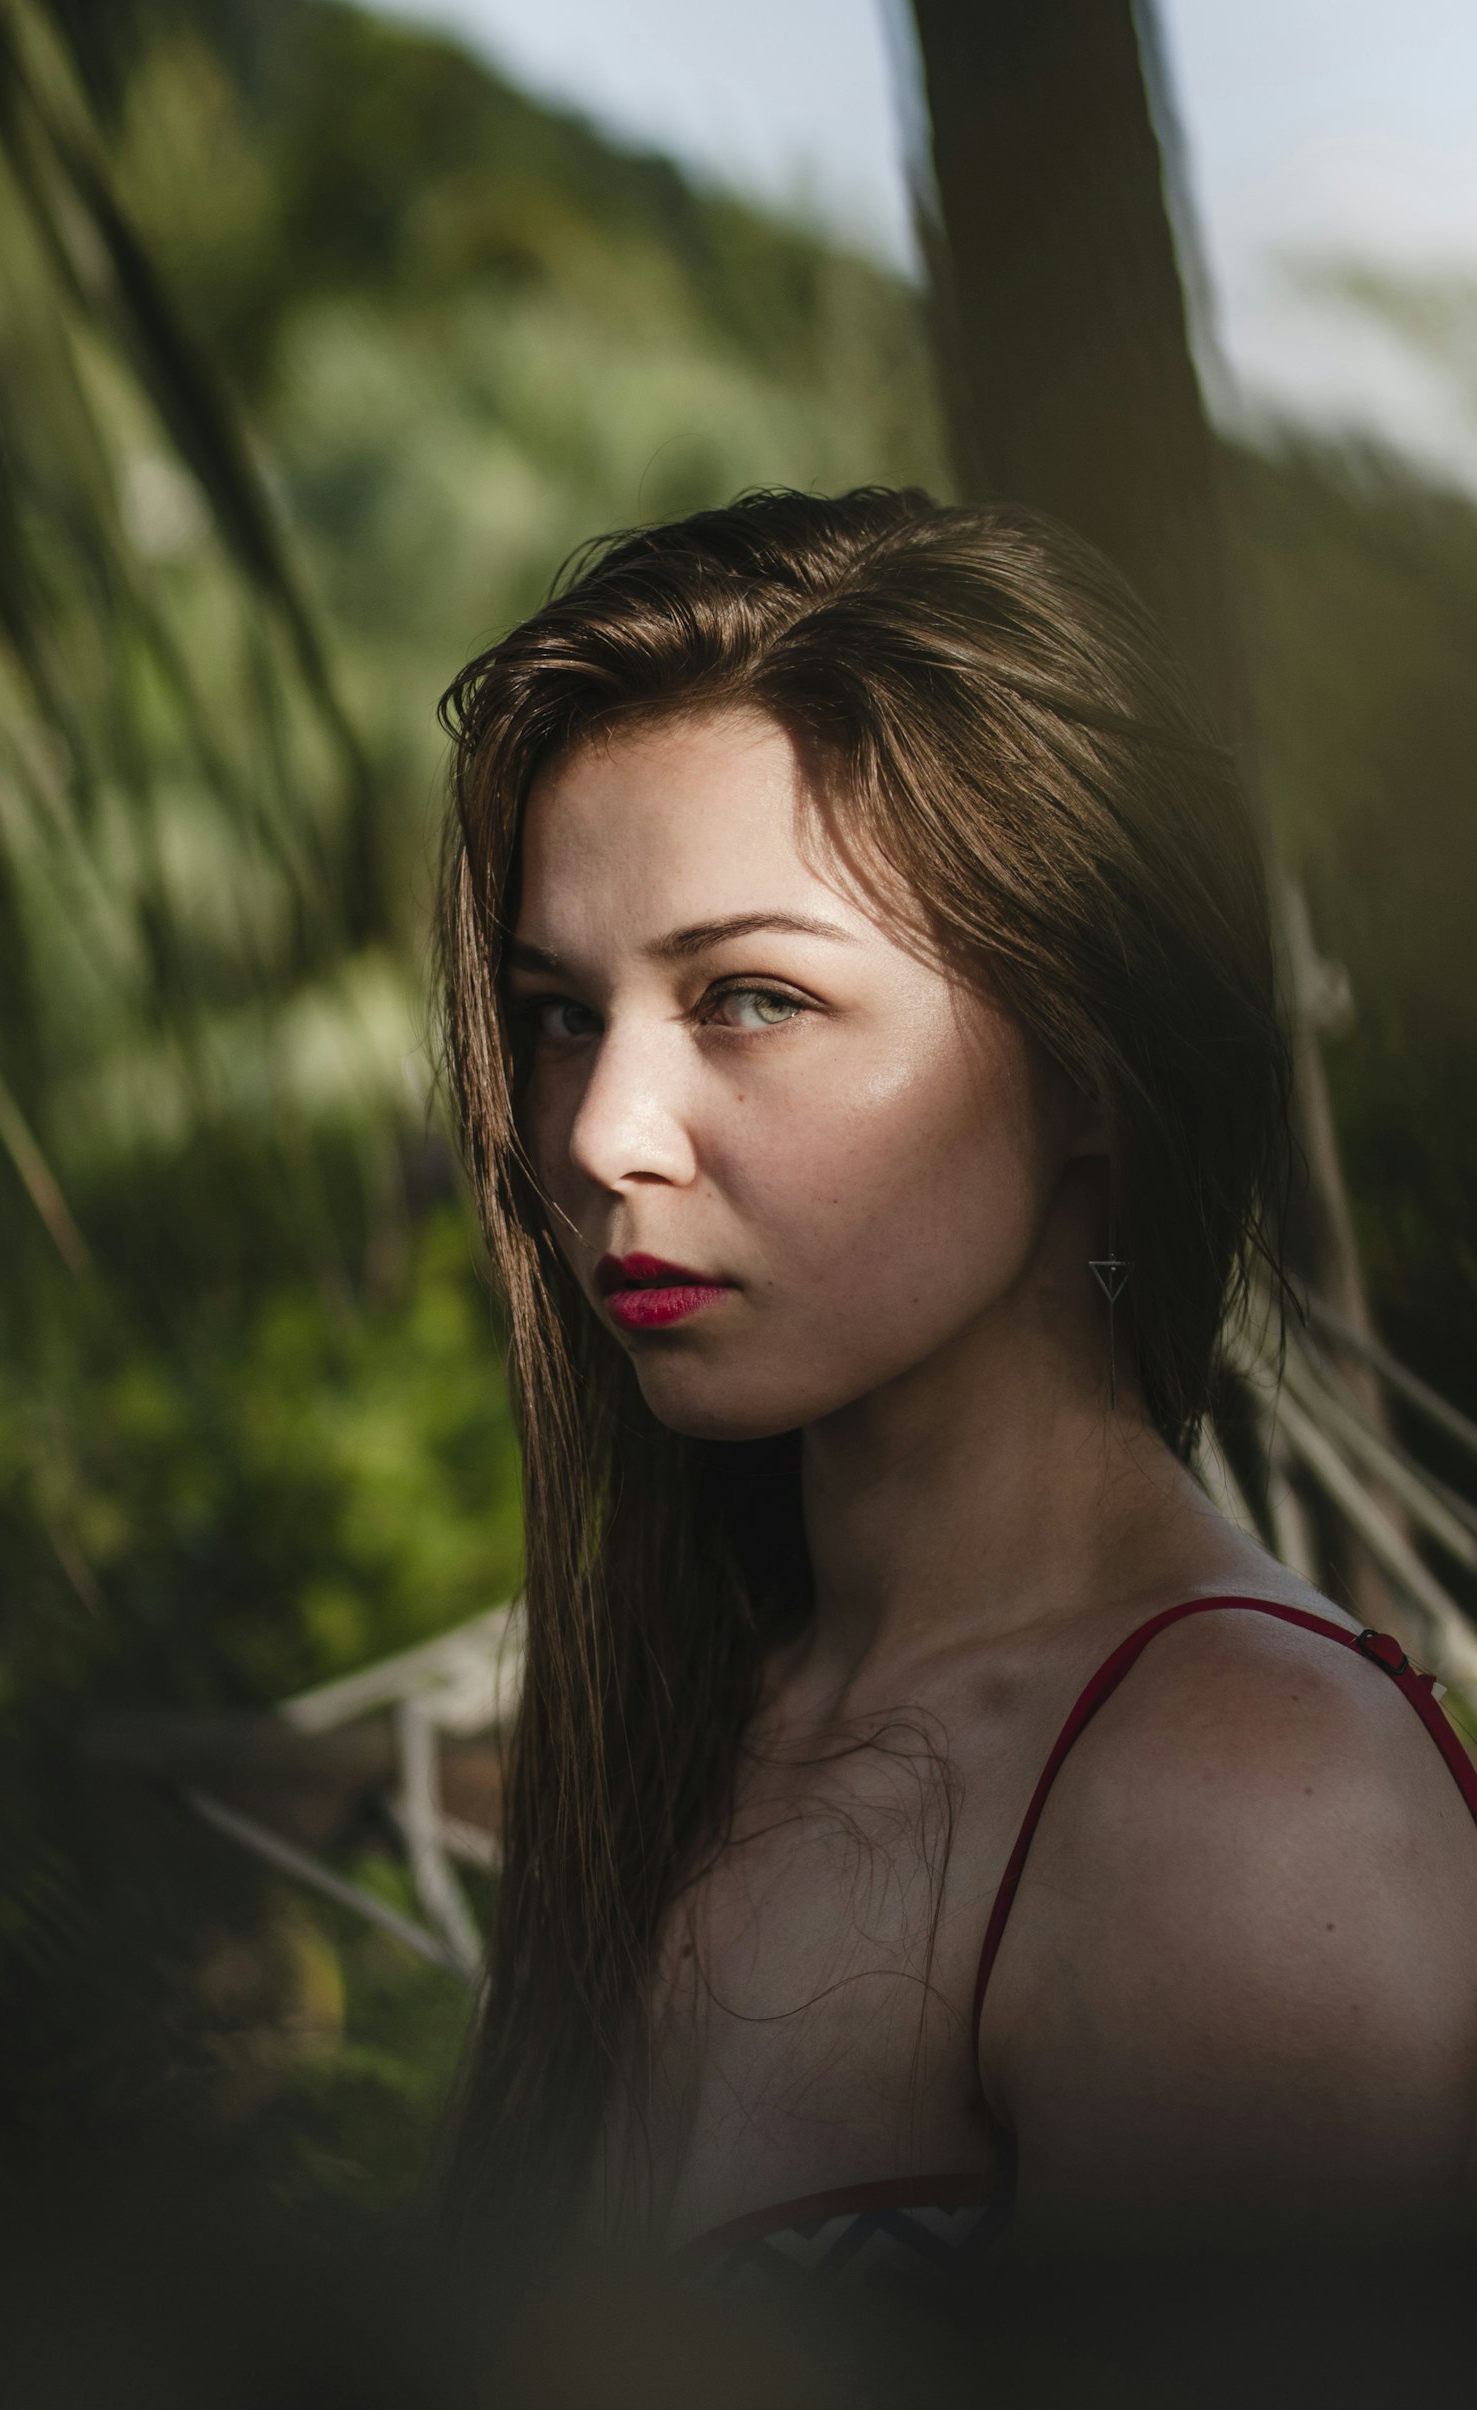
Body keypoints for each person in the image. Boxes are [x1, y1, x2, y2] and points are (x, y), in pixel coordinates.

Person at [432, 487, 1477, 2288]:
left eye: (751, 998)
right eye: (559, 1011)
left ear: (1087, 1063)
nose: (603, 1132)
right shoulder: (707, 1704)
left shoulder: (1239, 1807)